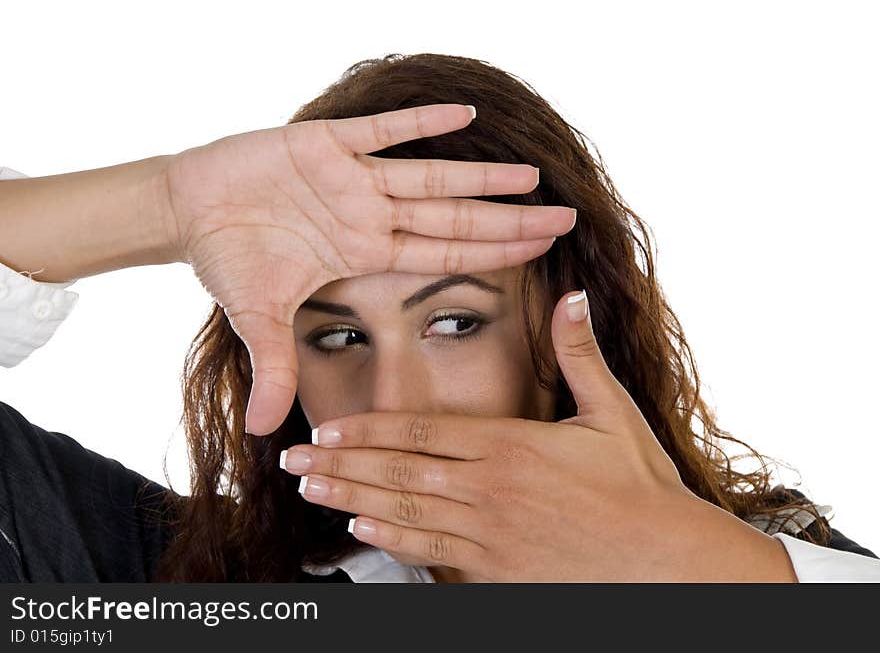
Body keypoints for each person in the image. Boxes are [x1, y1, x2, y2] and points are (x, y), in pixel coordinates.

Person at [1, 53, 878, 583]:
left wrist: (701, 569)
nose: (392, 401)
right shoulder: (165, 580)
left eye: (455, 322)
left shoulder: (766, 571)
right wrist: (161, 203)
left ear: (568, 324)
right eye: (337, 336)